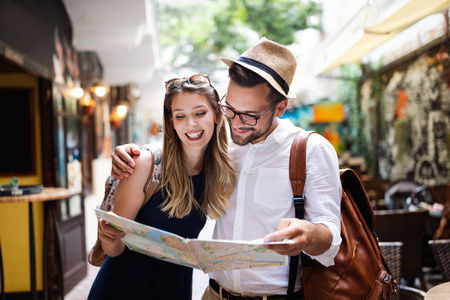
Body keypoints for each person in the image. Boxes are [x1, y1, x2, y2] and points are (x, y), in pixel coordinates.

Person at [111, 38, 342, 300]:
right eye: (230, 109)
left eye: (250, 115)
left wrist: (309, 234)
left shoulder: (310, 149)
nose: (237, 123)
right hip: (214, 293)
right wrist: (132, 151)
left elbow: (331, 239)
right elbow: (178, 144)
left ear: (280, 107)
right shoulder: (223, 143)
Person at [88, 74, 236, 300]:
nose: (191, 124)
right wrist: (109, 238)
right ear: (171, 122)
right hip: (125, 287)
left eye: (200, 113)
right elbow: (114, 252)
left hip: (175, 287)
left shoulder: (221, 169)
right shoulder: (145, 164)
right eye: (180, 116)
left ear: (216, 114)